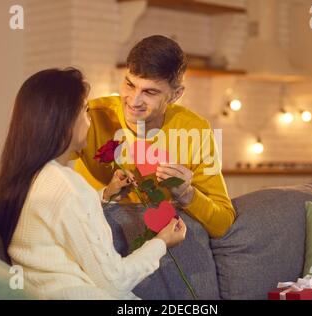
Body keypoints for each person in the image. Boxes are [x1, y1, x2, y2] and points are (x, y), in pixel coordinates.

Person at [0, 68, 186, 300]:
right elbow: (115, 282)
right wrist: (162, 242)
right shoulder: (66, 185)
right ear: (66, 121)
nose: (90, 123)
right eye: (85, 112)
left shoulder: (26, 180)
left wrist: (105, 195)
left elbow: (53, 222)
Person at [75, 35, 236, 238]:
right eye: (130, 85)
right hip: (93, 232)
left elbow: (223, 223)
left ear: (176, 95)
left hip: (160, 244)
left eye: (150, 92)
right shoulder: (93, 116)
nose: (134, 101)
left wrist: (187, 194)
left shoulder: (195, 130)